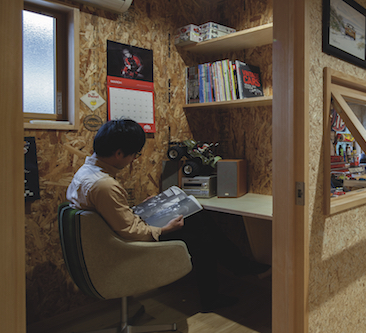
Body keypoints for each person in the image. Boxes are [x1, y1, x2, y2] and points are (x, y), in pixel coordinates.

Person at [67, 119, 268, 312]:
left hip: (115, 236)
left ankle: (236, 266)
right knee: (201, 233)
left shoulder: (86, 173)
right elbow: (129, 230)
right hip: (125, 245)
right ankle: (229, 275)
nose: (134, 160)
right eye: (135, 154)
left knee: (196, 218)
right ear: (119, 153)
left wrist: (143, 207)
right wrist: (164, 229)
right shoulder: (105, 185)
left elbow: (112, 215)